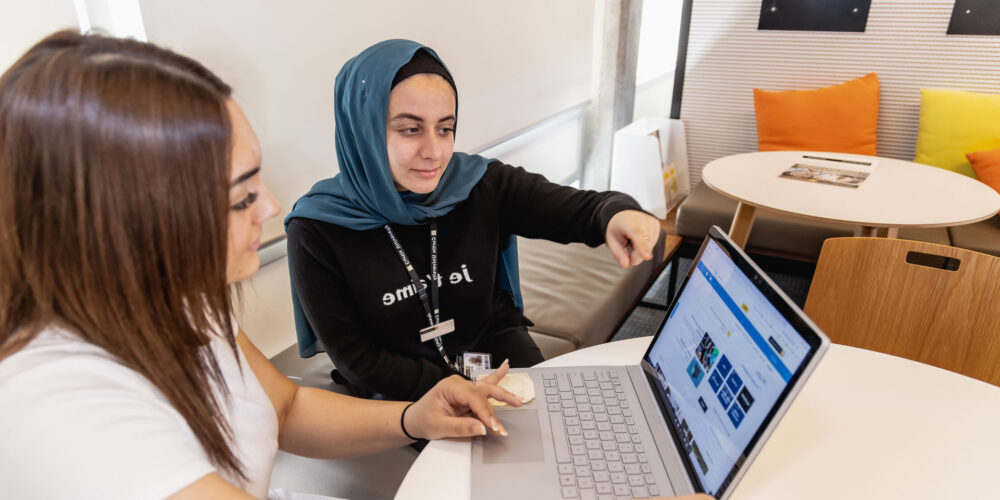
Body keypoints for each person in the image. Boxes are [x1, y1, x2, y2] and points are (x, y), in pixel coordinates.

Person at [0, 31, 523, 500]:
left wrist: (414, 416)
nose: (271, 207)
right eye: (240, 197)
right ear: (129, 221)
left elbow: (287, 408)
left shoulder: (180, 303)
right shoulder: (58, 407)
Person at [286, 40, 662, 401]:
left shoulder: (478, 184)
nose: (434, 152)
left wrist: (618, 212)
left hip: (491, 350)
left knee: (554, 431)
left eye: (445, 128)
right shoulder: (318, 228)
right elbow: (358, 360)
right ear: (363, 130)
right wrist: (457, 389)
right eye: (410, 129)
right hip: (403, 385)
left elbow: (580, 210)